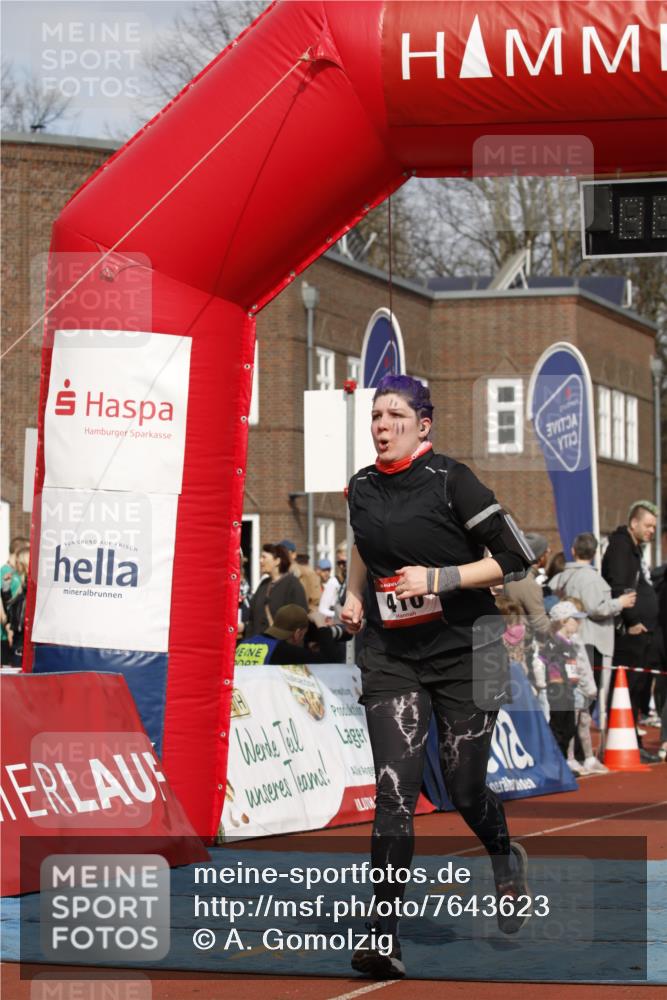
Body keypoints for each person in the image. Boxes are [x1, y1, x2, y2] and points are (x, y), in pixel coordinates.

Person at [341, 374, 534, 979]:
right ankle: (383, 936)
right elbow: (361, 543)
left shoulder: (453, 480)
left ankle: (505, 856)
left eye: (394, 415)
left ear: (423, 425)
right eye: (375, 415)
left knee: (464, 788)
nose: (381, 425)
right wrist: (351, 595)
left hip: (470, 651)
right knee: (394, 792)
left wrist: (440, 579)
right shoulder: (361, 487)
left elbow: (516, 558)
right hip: (391, 654)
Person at [549, 532, 636, 733]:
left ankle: (572, 747)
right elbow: (596, 609)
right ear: (595, 553)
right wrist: (619, 603)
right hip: (591, 642)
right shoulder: (591, 579)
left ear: (573, 551)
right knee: (586, 698)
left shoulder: (560, 577)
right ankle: (579, 750)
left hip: (565, 642)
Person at [601, 501, 659, 761]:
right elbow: (620, 585)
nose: (652, 531)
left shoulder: (635, 548)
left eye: (655, 527)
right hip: (629, 633)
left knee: (636, 689)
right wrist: (633, 620)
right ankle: (624, 743)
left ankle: (633, 741)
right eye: (648, 526)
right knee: (626, 688)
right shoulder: (621, 547)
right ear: (634, 523)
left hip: (642, 633)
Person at [536, 600, 586, 760]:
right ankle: (554, 761)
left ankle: (561, 761)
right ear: (564, 621)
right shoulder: (553, 643)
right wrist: (556, 683)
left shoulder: (570, 643)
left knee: (570, 728)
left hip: (569, 690)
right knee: (558, 727)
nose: (579, 623)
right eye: (575, 619)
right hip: (557, 690)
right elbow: (545, 662)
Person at [235, 603, 350, 665]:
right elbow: (329, 662)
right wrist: (322, 627)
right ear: (298, 633)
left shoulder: (244, 644)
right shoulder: (282, 651)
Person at [246, 544, 307, 637]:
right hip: (258, 646)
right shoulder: (263, 584)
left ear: (277, 561)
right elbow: (252, 619)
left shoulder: (292, 585)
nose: (260, 560)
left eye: (264, 557)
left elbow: (299, 620)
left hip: (280, 647)